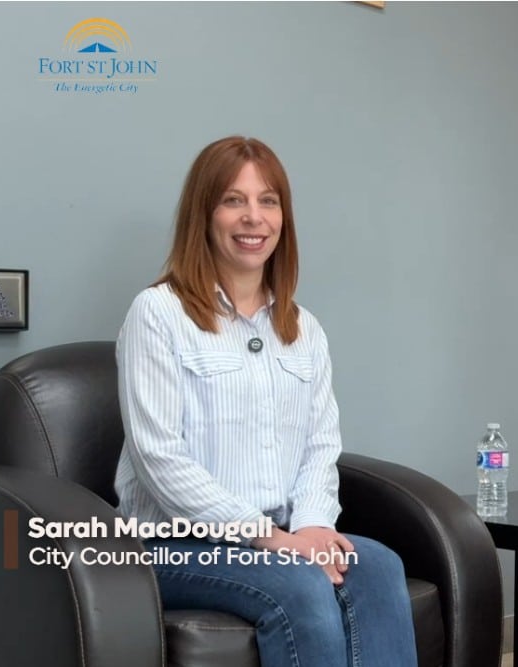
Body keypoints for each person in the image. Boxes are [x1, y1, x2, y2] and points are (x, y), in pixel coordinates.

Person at [114, 136, 418, 667]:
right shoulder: (157, 313)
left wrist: (314, 526)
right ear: (203, 215)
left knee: (379, 565)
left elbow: (321, 445)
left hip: (281, 533)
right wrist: (269, 539)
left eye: (268, 201)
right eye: (234, 200)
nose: (253, 218)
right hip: (173, 545)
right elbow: (159, 458)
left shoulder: (303, 328)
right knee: (299, 586)